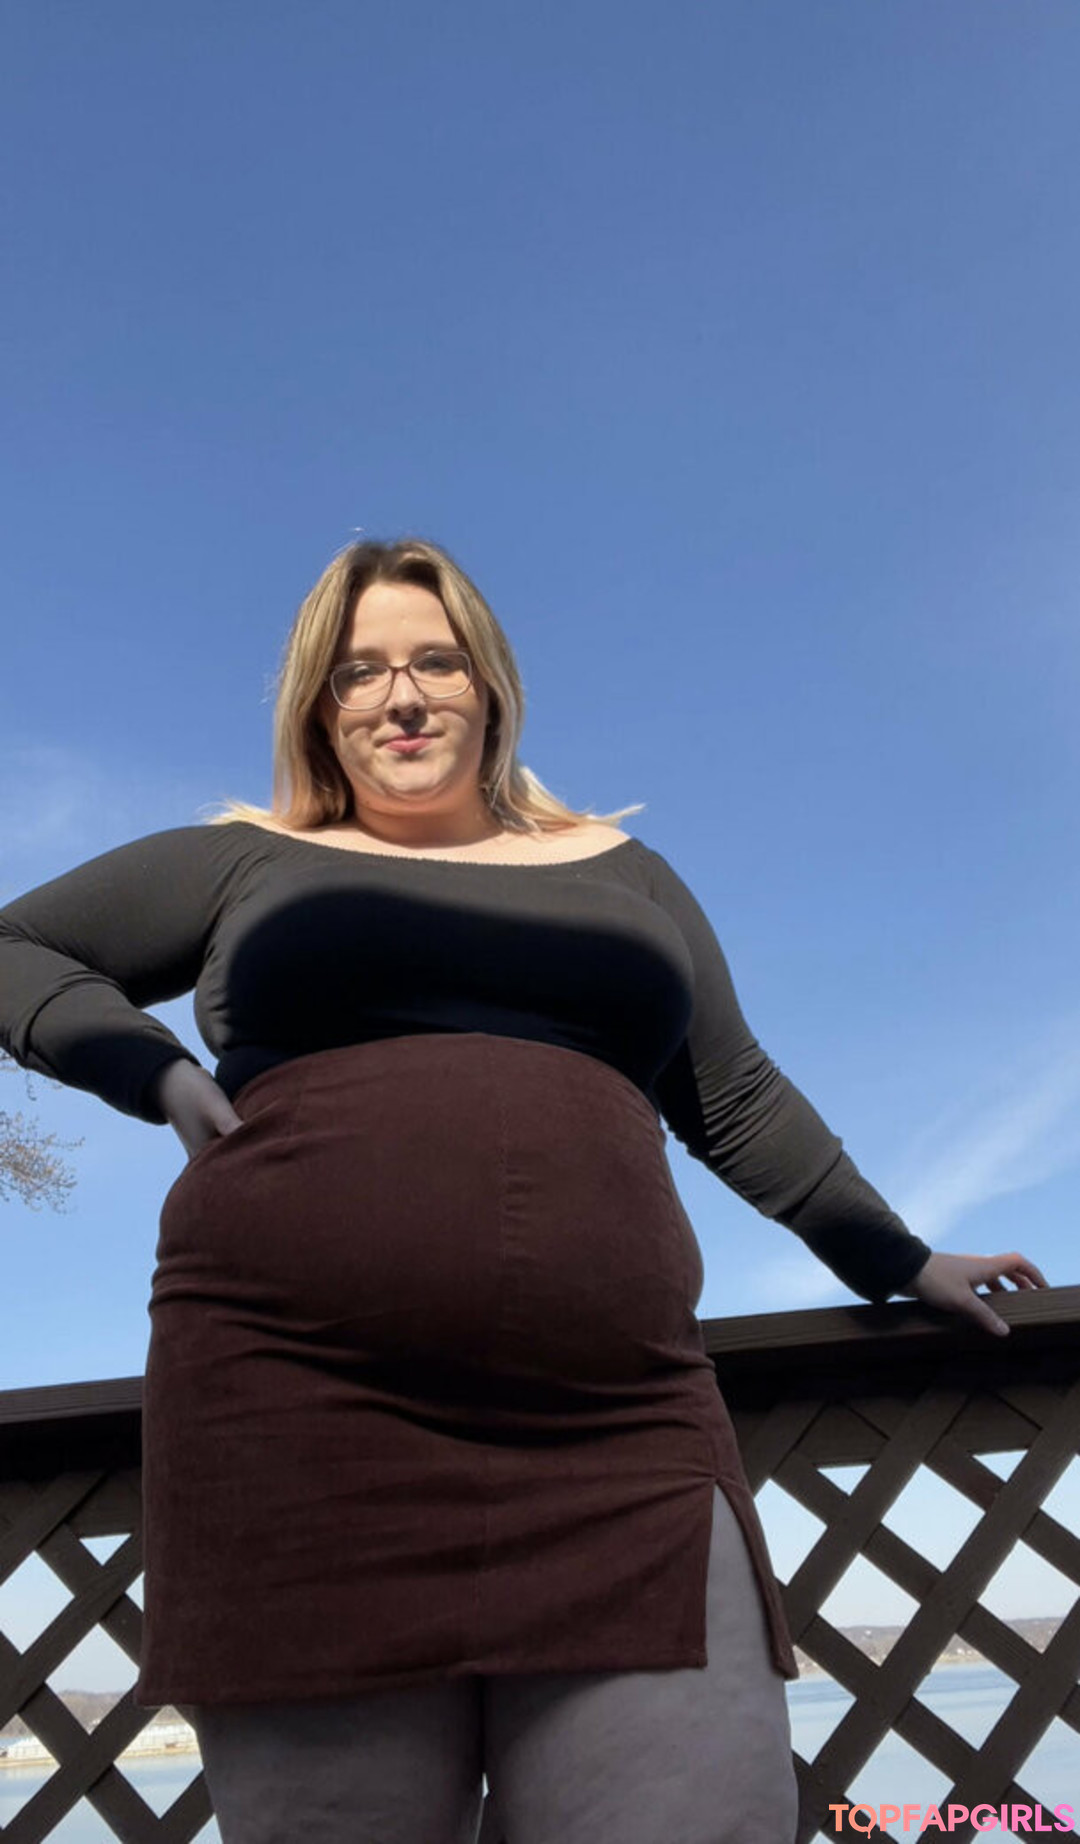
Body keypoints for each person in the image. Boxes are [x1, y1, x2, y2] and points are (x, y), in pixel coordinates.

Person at [0, 538, 1046, 1844]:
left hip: (618, 1432)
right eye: (359, 672)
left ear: (489, 685)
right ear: (320, 708)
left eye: (436, 662)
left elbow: (734, 1095)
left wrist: (901, 1259)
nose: (401, 696)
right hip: (296, 1414)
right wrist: (147, 1066)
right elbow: (14, 945)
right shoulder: (248, 861)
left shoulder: (623, 872)